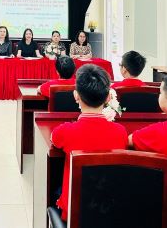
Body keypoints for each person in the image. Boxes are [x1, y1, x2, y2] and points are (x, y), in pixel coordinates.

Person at [51, 64, 128, 221]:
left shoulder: (66, 131)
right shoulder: (120, 132)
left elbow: (54, 138)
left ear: (76, 96)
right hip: (108, 210)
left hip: (73, 214)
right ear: (108, 98)